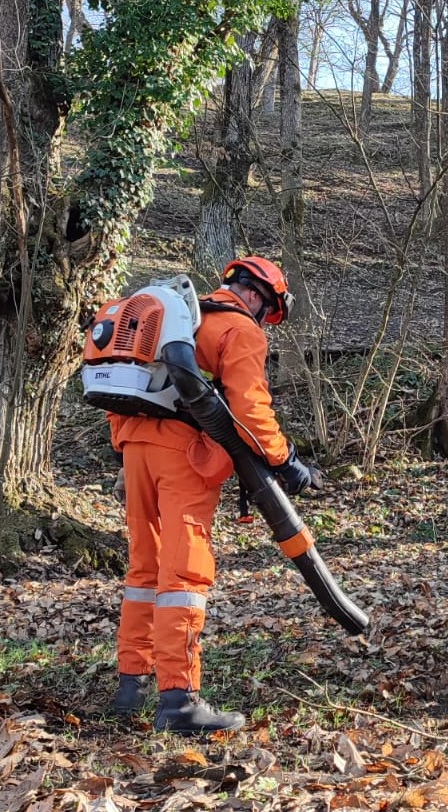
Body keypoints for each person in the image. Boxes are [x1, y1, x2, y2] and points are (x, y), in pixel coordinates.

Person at [108, 256, 314, 734]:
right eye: (269, 311)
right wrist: (286, 461)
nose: (265, 321)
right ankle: (179, 701)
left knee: (144, 567)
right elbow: (250, 409)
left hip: (135, 446)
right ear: (259, 297)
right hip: (184, 454)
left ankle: (130, 686)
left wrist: (125, 447)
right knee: (184, 571)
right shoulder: (238, 330)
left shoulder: (176, 317)